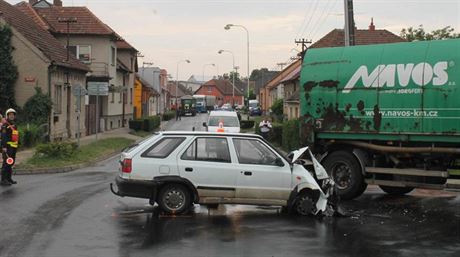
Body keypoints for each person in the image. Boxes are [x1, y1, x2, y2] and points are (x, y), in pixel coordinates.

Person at [1, 109, 19, 186]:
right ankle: (3, 180)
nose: (12, 116)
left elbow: (15, 136)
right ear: (7, 115)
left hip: (13, 147)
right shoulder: (5, 125)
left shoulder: (14, 124)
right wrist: (4, 147)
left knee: (11, 163)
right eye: (10, 115)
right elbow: (4, 136)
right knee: (6, 163)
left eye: (13, 115)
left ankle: (9, 178)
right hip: (7, 147)